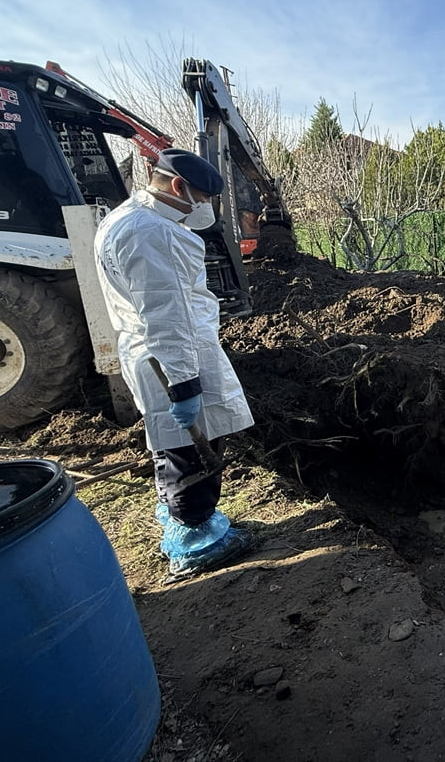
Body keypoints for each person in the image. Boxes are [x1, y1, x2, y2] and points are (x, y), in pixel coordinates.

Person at [95, 147, 255, 581]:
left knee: (172, 447)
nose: (203, 209)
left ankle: (181, 517)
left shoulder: (127, 218)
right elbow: (167, 312)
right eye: (202, 199)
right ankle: (198, 541)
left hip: (152, 354)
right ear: (179, 187)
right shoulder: (155, 234)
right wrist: (184, 383)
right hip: (174, 359)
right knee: (192, 453)